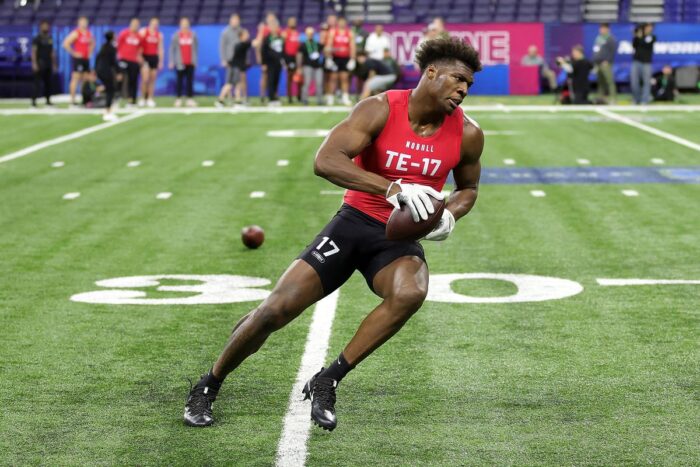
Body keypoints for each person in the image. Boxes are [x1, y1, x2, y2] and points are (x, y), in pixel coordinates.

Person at [183, 37, 484, 432]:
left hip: (396, 238)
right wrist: (391, 189)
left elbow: (468, 189)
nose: (463, 89)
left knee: (411, 292)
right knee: (274, 311)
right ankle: (208, 385)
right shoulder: (380, 108)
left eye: (468, 84)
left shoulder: (468, 133)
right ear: (431, 72)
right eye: (458, 78)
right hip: (354, 222)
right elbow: (325, 160)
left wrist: (448, 216)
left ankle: (328, 379)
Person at [62, 16, 94, 107]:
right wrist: (74, 53)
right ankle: (72, 100)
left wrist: (90, 53)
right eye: (82, 22)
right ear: (79, 23)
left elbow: (92, 43)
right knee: (75, 78)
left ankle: (84, 98)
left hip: (85, 59)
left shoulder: (88, 33)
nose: (84, 24)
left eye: (85, 22)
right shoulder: (76, 33)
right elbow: (65, 43)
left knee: (85, 79)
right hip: (78, 59)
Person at [325, 17, 355, 106]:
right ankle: (330, 98)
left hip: (345, 58)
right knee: (333, 78)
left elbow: (352, 46)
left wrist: (352, 59)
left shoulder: (349, 33)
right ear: (338, 23)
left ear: (345, 23)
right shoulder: (333, 32)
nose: (342, 24)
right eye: (340, 22)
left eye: (343, 22)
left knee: (344, 78)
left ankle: (345, 98)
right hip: (335, 58)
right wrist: (329, 58)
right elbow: (329, 45)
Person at [169, 17, 198, 107]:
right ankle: (178, 99)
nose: (185, 25)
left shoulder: (193, 35)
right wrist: (172, 61)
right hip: (180, 62)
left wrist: (195, 60)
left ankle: (190, 99)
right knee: (179, 81)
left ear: (188, 25)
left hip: (190, 62)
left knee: (190, 81)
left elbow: (196, 49)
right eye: (183, 24)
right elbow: (172, 49)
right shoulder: (176, 35)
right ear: (180, 25)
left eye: (186, 23)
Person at [216, 13, 242, 107]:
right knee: (230, 82)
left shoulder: (240, 31)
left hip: (238, 60)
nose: (235, 22)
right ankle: (221, 99)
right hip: (230, 60)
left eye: (237, 20)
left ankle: (236, 100)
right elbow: (222, 47)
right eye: (233, 20)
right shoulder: (225, 32)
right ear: (230, 21)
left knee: (237, 81)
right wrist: (223, 59)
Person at [117, 18, 142, 107]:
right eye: (134, 24)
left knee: (133, 80)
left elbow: (140, 48)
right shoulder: (124, 33)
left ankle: (132, 100)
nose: (135, 26)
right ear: (130, 24)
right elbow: (118, 45)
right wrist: (119, 56)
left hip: (134, 61)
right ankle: (117, 98)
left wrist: (139, 56)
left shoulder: (139, 36)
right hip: (123, 59)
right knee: (120, 78)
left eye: (137, 24)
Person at [254, 11, 278, 104]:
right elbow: (258, 44)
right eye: (270, 18)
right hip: (266, 57)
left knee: (274, 77)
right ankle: (262, 95)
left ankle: (274, 95)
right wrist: (259, 57)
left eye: (273, 19)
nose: (271, 20)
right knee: (264, 76)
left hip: (274, 57)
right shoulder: (263, 29)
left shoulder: (276, 28)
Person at [139, 17, 163, 108]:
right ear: (150, 23)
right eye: (153, 23)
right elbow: (139, 45)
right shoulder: (143, 32)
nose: (154, 25)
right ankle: (142, 98)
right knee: (145, 79)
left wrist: (160, 61)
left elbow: (160, 48)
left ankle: (150, 98)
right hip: (145, 57)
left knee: (152, 79)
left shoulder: (159, 35)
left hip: (154, 57)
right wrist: (140, 56)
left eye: (156, 24)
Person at [31, 20, 56, 107]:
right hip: (40, 62)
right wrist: (34, 63)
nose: (46, 28)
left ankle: (48, 100)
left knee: (48, 83)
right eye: (44, 26)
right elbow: (34, 51)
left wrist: (54, 63)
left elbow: (52, 52)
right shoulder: (37, 38)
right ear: (40, 27)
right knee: (37, 83)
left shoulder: (50, 38)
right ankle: (34, 101)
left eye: (47, 26)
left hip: (48, 63)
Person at [260, 17, 284, 106]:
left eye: (275, 26)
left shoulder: (280, 38)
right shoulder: (267, 38)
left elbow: (283, 50)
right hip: (270, 63)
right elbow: (263, 51)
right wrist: (264, 63)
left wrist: (283, 61)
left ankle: (275, 95)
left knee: (276, 80)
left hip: (278, 62)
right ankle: (271, 98)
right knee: (270, 79)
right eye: (272, 26)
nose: (274, 28)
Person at [298, 26, 324, 105]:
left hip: (318, 66)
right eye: (309, 33)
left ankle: (320, 100)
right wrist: (299, 67)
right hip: (307, 66)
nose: (310, 35)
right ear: (306, 34)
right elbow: (299, 56)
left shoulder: (317, 44)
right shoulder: (303, 45)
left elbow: (325, 49)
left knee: (319, 83)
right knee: (307, 83)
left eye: (311, 33)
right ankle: (304, 99)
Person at [95, 30, 118, 121]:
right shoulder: (112, 47)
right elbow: (113, 61)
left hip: (100, 70)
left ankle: (107, 109)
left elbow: (97, 58)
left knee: (109, 89)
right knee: (110, 90)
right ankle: (108, 111)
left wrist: (96, 69)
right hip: (106, 71)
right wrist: (119, 71)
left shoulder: (103, 46)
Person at [592, 23, 617, 104]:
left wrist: (607, 60)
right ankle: (600, 99)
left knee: (609, 81)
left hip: (605, 63)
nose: (601, 30)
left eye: (603, 28)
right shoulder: (598, 38)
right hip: (598, 63)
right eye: (601, 28)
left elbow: (612, 51)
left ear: (607, 29)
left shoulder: (610, 39)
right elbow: (595, 50)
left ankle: (613, 98)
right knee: (600, 82)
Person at [631, 23, 656, 105]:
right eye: (648, 27)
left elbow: (646, 44)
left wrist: (640, 36)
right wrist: (636, 36)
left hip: (646, 63)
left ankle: (645, 100)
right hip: (636, 61)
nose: (649, 29)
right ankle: (636, 99)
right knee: (634, 81)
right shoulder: (638, 37)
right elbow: (634, 45)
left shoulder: (652, 37)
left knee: (646, 82)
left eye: (651, 27)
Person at [230, 29, 252, 105]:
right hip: (237, 67)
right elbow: (255, 43)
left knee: (242, 82)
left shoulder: (243, 44)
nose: (248, 35)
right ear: (241, 36)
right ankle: (237, 99)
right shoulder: (241, 45)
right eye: (246, 34)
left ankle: (243, 98)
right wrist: (261, 32)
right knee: (236, 84)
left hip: (240, 67)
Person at [282, 16, 301, 103]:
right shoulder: (285, 33)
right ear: (288, 23)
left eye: (294, 21)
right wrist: (284, 60)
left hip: (296, 57)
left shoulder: (297, 33)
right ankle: (289, 97)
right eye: (291, 21)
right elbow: (283, 46)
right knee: (289, 77)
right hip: (288, 57)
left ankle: (299, 95)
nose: (293, 23)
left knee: (298, 77)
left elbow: (298, 46)